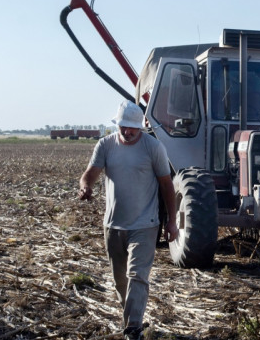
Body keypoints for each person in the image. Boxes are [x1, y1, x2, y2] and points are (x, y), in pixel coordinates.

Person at [78, 100, 178, 340]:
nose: (128, 131)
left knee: (137, 276)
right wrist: (85, 187)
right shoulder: (105, 145)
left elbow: (167, 185)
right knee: (120, 281)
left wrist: (171, 222)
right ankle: (132, 323)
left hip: (145, 224)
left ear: (141, 127)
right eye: (124, 126)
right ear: (118, 124)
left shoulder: (153, 148)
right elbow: (89, 175)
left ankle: (133, 328)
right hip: (113, 225)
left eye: (133, 127)